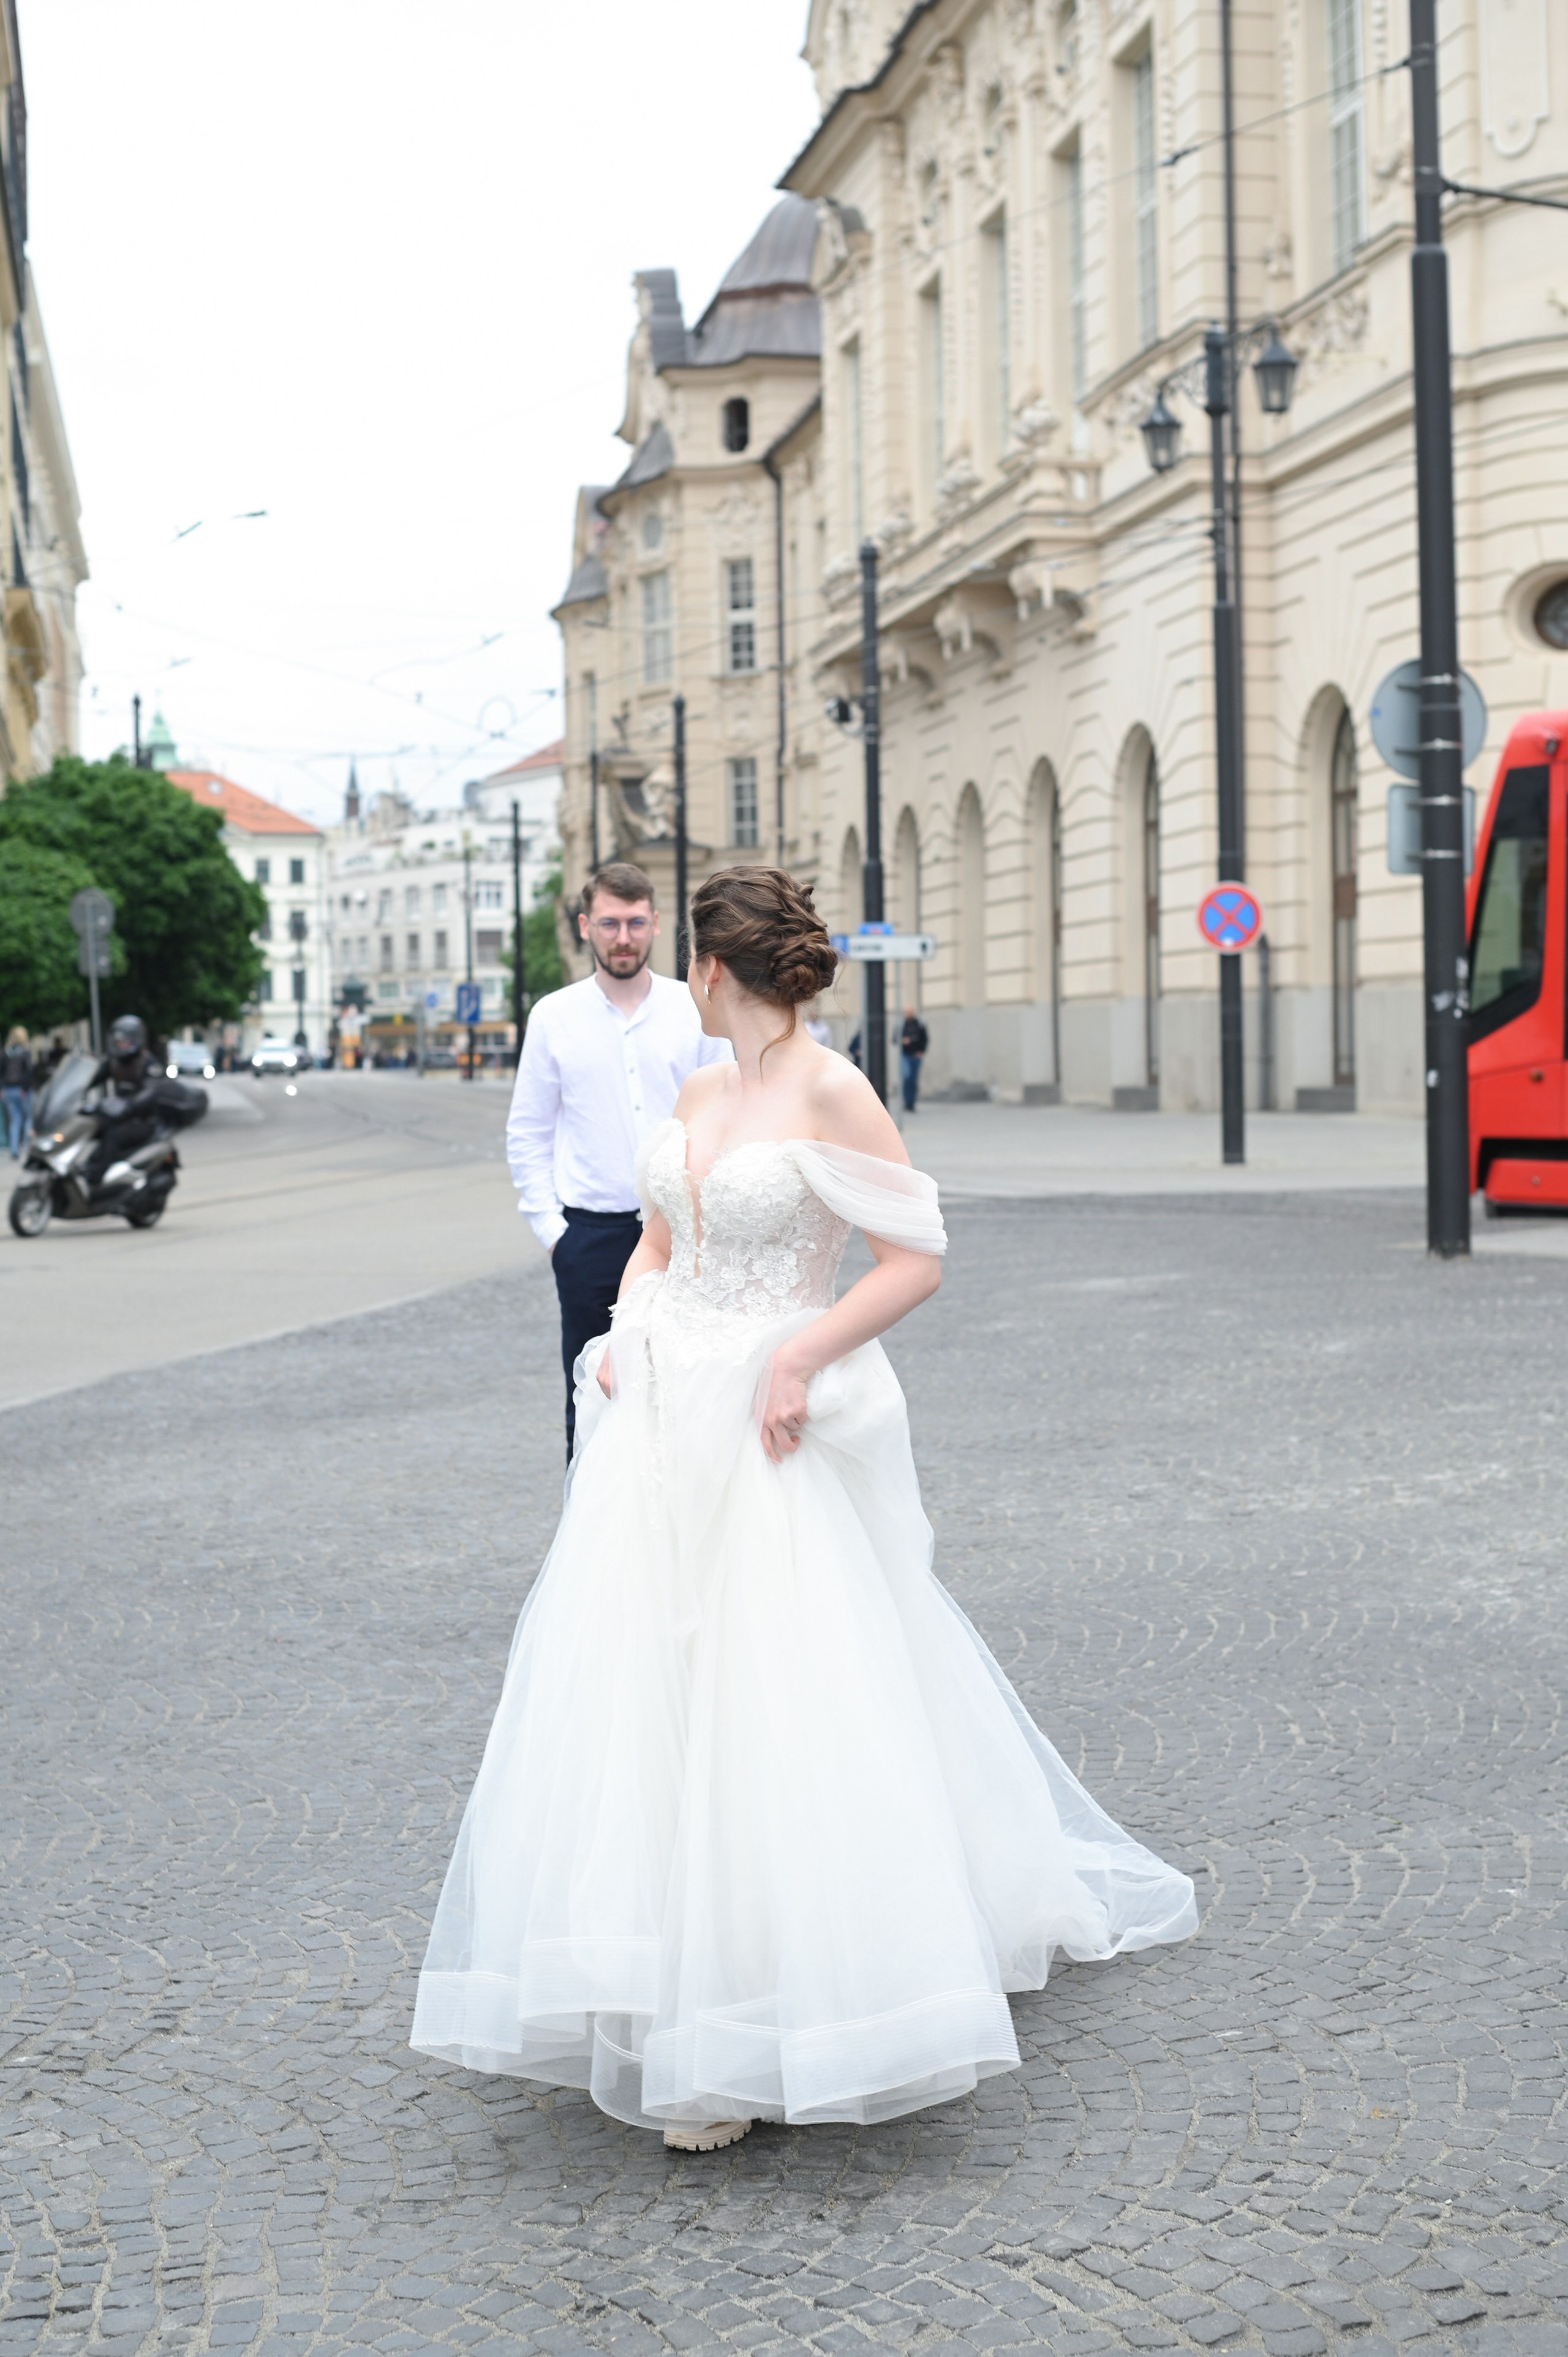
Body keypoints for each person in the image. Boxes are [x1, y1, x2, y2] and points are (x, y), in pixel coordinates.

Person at [412, 865, 1196, 2152]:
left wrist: (798, 1355)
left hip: (767, 1414)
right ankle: (648, 1971)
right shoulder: (698, 1086)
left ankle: (749, 2018)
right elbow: (661, 1244)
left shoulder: (831, 1089)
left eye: (687, 960)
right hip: (659, 1409)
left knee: (773, 1699)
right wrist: (617, 1336)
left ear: (715, 971)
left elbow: (916, 1259)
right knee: (639, 1695)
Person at [507, 860, 731, 1456]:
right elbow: (527, 1131)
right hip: (590, 1235)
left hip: (685, 1233)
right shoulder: (553, 1017)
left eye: (635, 923)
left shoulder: (695, 1009)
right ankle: (591, 1536)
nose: (623, 937)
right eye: (609, 923)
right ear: (585, 926)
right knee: (591, 1397)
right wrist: (554, 1234)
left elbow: (726, 1114)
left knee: (688, 1386)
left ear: (656, 924)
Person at [2, 1025, 32, 1157]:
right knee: (28, 1118)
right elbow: (28, 1072)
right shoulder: (25, 1052)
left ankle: (14, 1150)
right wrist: (25, 1089)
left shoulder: (5, 1053)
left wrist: (2, 1088)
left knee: (15, 1120)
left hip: (8, 1090)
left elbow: (1, 1073)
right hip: (22, 1090)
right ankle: (27, 1148)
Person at [899, 1004, 929, 1113]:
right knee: (907, 1078)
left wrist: (921, 1052)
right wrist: (903, 1041)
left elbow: (925, 1038)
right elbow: (894, 1039)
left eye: (911, 1012)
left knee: (913, 1079)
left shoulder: (919, 1023)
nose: (909, 1014)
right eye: (908, 1012)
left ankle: (912, 1103)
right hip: (905, 1055)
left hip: (916, 1055)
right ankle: (907, 1102)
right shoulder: (902, 1025)